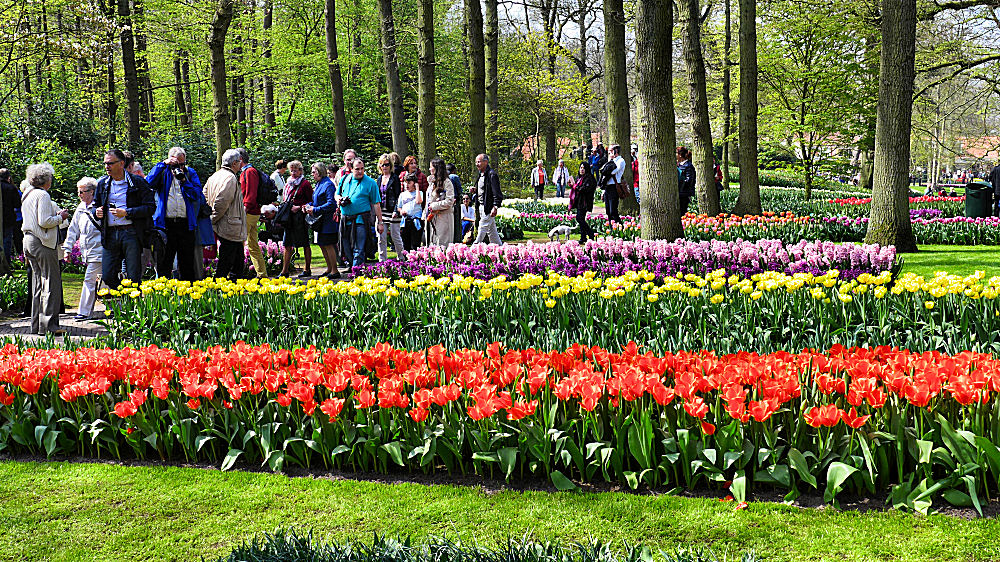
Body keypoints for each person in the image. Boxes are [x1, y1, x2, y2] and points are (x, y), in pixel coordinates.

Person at [94, 149, 155, 289]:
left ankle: (133, 307)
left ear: (121, 163)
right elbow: (95, 206)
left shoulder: (137, 182)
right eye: (105, 163)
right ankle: (122, 298)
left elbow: (150, 208)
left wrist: (127, 212)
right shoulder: (102, 183)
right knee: (108, 275)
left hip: (131, 233)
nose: (106, 167)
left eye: (110, 163)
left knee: (134, 276)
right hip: (110, 234)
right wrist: (96, 212)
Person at [20, 163, 69, 336]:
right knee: (51, 283)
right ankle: (49, 326)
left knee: (37, 284)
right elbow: (45, 221)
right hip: (42, 242)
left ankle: (36, 325)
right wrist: (60, 217)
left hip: (28, 241)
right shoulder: (43, 195)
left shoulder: (27, 194)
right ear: (46, 179)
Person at [146, 147, 203, 281]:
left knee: (187, 263)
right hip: (166, 225)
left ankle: (188, 295)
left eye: (183, 164)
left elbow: (196, 195)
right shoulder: (162, 172)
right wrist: (163, 165)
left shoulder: (190, 173)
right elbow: (148, 183)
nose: (180, 167)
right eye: (177, 164)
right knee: (165, 261)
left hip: (185, 224)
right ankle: (163, 294)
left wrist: (184, 181)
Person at [204, 149, 247, 281]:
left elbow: (204, 195)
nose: (241, 164)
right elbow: (222, 202)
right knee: (228, 261)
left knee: (237, 259)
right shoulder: (230, 178)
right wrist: (213, 219)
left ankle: (234, 288)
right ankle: (221, 286)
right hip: (229, 225)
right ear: (234, 163)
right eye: (239, 162)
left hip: (227, 224)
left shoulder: (214, 176)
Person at [63, 177, 102, 319]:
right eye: (78, 191)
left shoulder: (100, 207)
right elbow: (73, 230)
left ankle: (84, 312)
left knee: (90, 280)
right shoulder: (80, 208)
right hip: (89, 252)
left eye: (82, 192)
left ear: (92, 192)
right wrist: (67, 249)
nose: (79, 194)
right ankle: (118, 309)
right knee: (105, 282)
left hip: (100, 251)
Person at [337, 158, 383, 267]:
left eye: (362, 168)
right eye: (357, 169)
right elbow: (337, 194)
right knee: (346, 246)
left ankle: (356, 270)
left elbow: (376, 204)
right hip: (345, 219)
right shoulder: (344, 179)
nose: (360, 171)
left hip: (361, 220)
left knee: (359, 247)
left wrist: (380, 222)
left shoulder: (371, 183)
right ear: (351, 169)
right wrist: (339, 199)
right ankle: (353, 267)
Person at [305, 162, 341, 279]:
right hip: (320, 221)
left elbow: (331, 204)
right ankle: (329, 268)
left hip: (328, 221)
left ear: (320, 171)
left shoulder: (328, 185)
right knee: (322, 244)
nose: (312, 174)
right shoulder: (319, 184)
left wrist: (315, 209)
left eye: (314, 172)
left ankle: (335, 270)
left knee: (329, 244)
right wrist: (308, 206)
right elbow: (316, 201)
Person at [236, 148, 268, 279]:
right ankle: (262, 274)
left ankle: (239, 273)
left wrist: (245, 208)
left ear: (240, 160)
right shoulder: (247, 172)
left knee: (242, 243)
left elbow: (251, 193)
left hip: (250, 212)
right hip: (252, 211)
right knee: (252, 244)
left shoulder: (249, 172)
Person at [278, 160, 313, 278]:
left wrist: (299, 207)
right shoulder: (288, 183)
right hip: (289, 217)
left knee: (304, 243)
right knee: (287, 243)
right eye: (291, 170)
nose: (293, 172)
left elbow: (311, 201)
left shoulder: (305, 184)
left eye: (295, 170)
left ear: (300, 171)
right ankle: (284, 270)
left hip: (300, 217)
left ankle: (307, 268)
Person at [376, 154, 405, 261]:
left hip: (393, 211)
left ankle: (401, 257)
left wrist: (395, 210)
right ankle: (382, 260)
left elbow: (398, 196)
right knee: (381, 238)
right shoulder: (379, 179)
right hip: (381, 212)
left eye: (387, 165)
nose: (385, 167)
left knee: (395, 236)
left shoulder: (395, 178)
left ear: (390, 165)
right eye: (382, 165)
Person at [424, 158, 455, 247]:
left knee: (442, 244)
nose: (429, 169)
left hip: (443, 217)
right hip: (431, 217)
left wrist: (434, 206)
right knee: (431, 243)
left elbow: (449, 201)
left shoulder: (447, 182)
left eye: (431, 167)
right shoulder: (431, 183)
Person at [474, 153, 504, 245]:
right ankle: (499, 247)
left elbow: (496, 192)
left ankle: (474, 247)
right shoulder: (481, 175)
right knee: (492, 232)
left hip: (488, 207)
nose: (477, 164)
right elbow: (484, 190)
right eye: (476, 162)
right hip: (481, 206)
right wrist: (475, 190)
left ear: (485, 162)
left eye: (479, 162)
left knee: (482, 227)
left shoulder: (491, 175)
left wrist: (495, 206)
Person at [570, 162, 598, 244]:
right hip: (579, 201)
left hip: (585, 201)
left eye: (583, 168)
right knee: (581, 218)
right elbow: (577, 188)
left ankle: (590, 233)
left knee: (579, 218)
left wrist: (575, 186)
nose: (581, 170)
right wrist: (573, 186)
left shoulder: (589, 178)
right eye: (580, 168)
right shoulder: (579, 178)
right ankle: (583, 237)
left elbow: (585, 189)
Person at [397, 174, 424, 250]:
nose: (407, 185)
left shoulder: (419, 193)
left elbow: (419, 201)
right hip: (406, 221)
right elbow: (399, 207)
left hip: (416, 221)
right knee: (406, 243)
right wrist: (401, 211)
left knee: (415, 243)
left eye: (409, 183)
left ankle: (415, 259)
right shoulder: (402, 195)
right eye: (406, 182)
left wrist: (417, 188)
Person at [603, 144, 626, 224]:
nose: (609, 152)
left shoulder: (621, 161)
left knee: (613, 210)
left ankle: (619, 226)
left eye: (611, 151)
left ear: (616, 151)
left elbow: (612, 172)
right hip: (607, 187)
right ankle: (611, 229)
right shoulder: (610, 161)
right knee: (608, 211)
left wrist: (611, 160)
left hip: (614, 187)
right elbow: (604, 173)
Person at [0, 169, 17, 263]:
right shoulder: (11, 188)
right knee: (7, 240)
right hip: (8, 218)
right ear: (8, 177)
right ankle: (6, 262)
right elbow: (18, 204)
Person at [677, 146, 696, 214]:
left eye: (676, 153)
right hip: (679, 193)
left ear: (680, 155)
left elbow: (689, 180)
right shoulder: (678, 165)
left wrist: (679, 183)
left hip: (684, 194)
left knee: (682, 211)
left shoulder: (688, 166)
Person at [447, 163, 463, 242]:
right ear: (453, 170)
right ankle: (457, 240)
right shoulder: (454, 177)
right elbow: (459, 190)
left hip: (446, 201)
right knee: (456, 222)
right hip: (455, 200)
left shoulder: (444, 177)